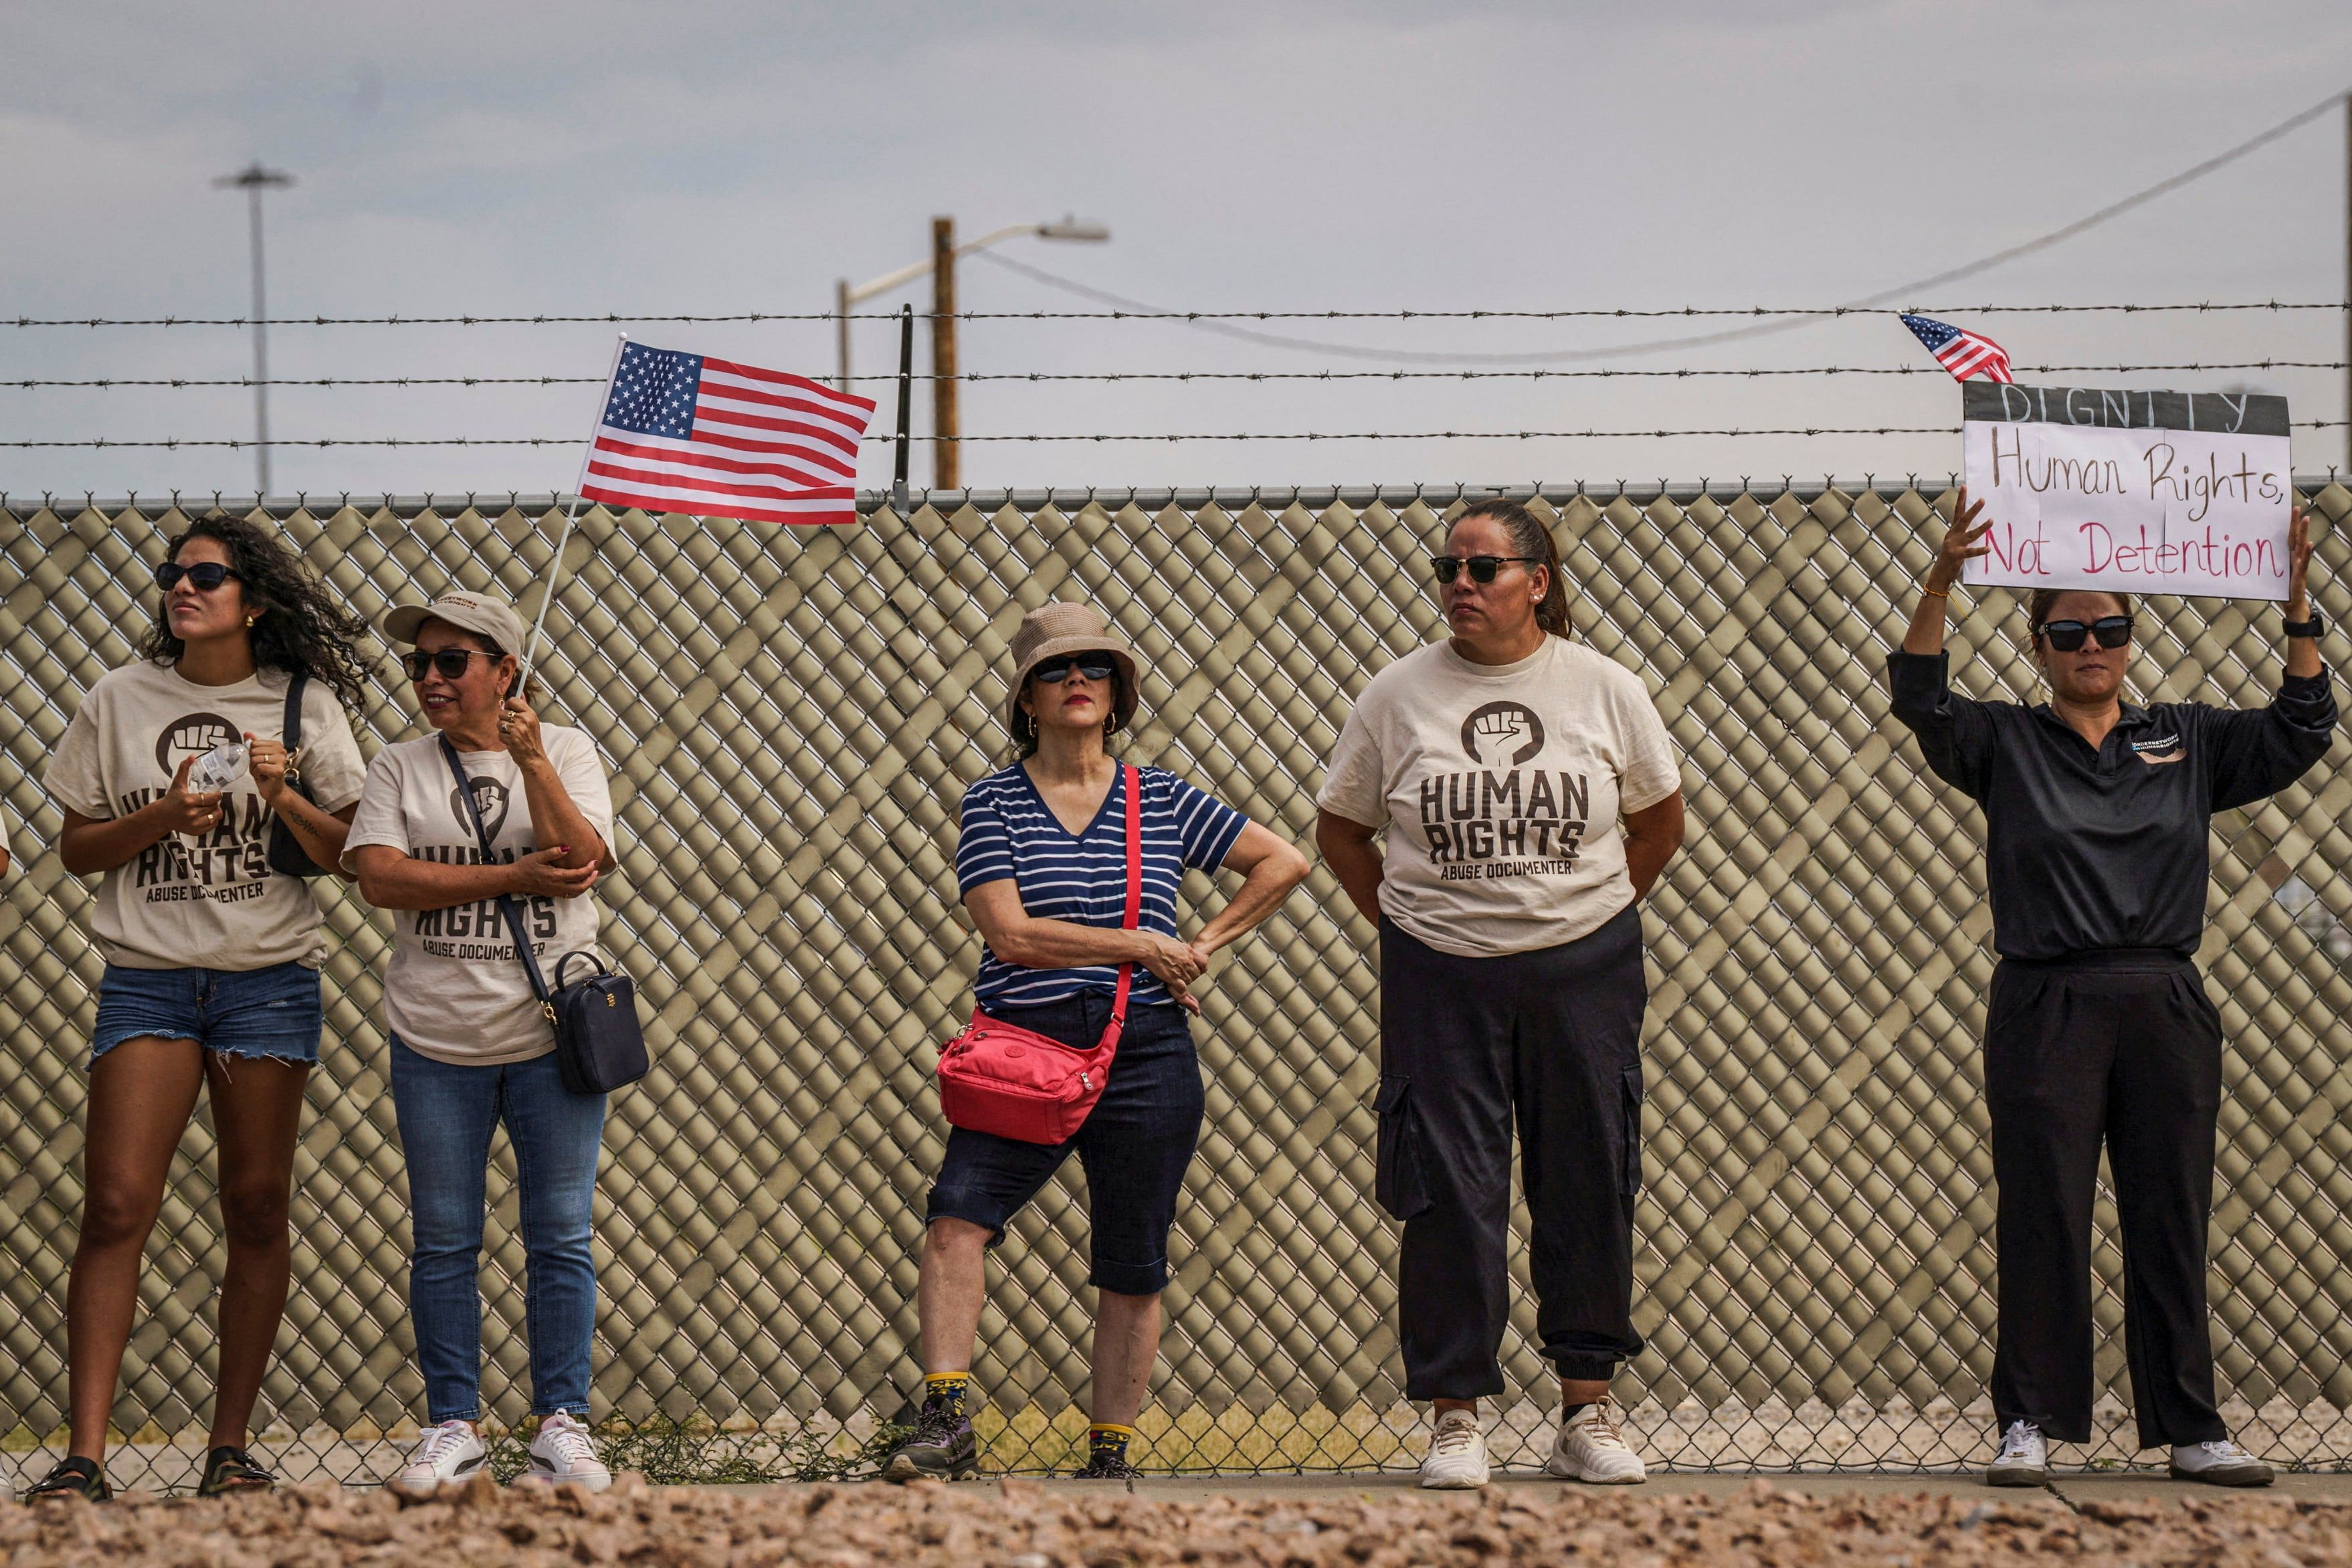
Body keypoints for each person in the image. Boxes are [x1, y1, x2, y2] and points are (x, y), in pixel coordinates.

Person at [1888, 490, 2335, 1490]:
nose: (2092, 645)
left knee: (2167, 1211)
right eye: (2070, 632)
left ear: (2132, 639)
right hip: (2047, 1001)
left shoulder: (2185, 737)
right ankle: (2031, 1421)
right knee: (2042, 1209)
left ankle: (2191, 1426)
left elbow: (2304, 727)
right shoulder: (2006, 742)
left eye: (2111, 629)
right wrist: (1939, 582)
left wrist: (2297, 601)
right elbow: (1920, 699)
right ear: (2039, 645)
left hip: (2163, 1001)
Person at [879, 601, 1310, 1482]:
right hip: (1025, 1040)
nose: (1077, 682)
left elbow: (1284, 861)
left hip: (1145, 1045)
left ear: (1117, 694)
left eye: (1095, 669)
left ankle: (1109, 1459)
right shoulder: (992, 801)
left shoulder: (1161, 798)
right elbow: (1009, 933)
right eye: (1055, 670)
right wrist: (1142, 945)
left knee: (1133, 1256)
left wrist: (1204, 945)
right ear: (1026, 700)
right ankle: (948, 1422)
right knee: (957, 1218)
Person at [1314, 498, 1686, 1490]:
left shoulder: (1604, 687)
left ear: (1538, 582)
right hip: (1440, 974)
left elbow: (1656, 822)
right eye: (1449, 570)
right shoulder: (1396, 696)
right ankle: (1455, 1418)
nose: (1460, 586)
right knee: (1447, 1190)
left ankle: (1587, 1409)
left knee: (1589, 1174)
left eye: (1482, 570)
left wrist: (1585, 912)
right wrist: (1406, 923)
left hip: (1584, 970)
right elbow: (1342, 829)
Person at [31, 515, 371, 1500]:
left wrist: (289, 791)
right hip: (148, 975)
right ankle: (85, 1458)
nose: (183, 588)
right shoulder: (120, 698)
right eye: (174, 575)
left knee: (258, 1206)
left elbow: (346, 855)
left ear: (252, 601)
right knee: (115, 1205)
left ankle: (229, 1451)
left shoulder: (302, 706)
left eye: (207, 576)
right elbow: (79, 849)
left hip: (268, 978)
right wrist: (163, 817)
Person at [342, 590, 619, 1496]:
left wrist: (533, 760)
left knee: (560, 1237)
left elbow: (580, 859)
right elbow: (380, 878)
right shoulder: (399, 767)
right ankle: (454, 1425)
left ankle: (560, 1426)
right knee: (446, 1240)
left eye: (451, 661)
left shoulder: (568, 749)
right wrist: (507, 874)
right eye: (420, 663)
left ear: (506, 670)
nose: (429, 678)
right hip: (436, 1037)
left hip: (552, 1036)